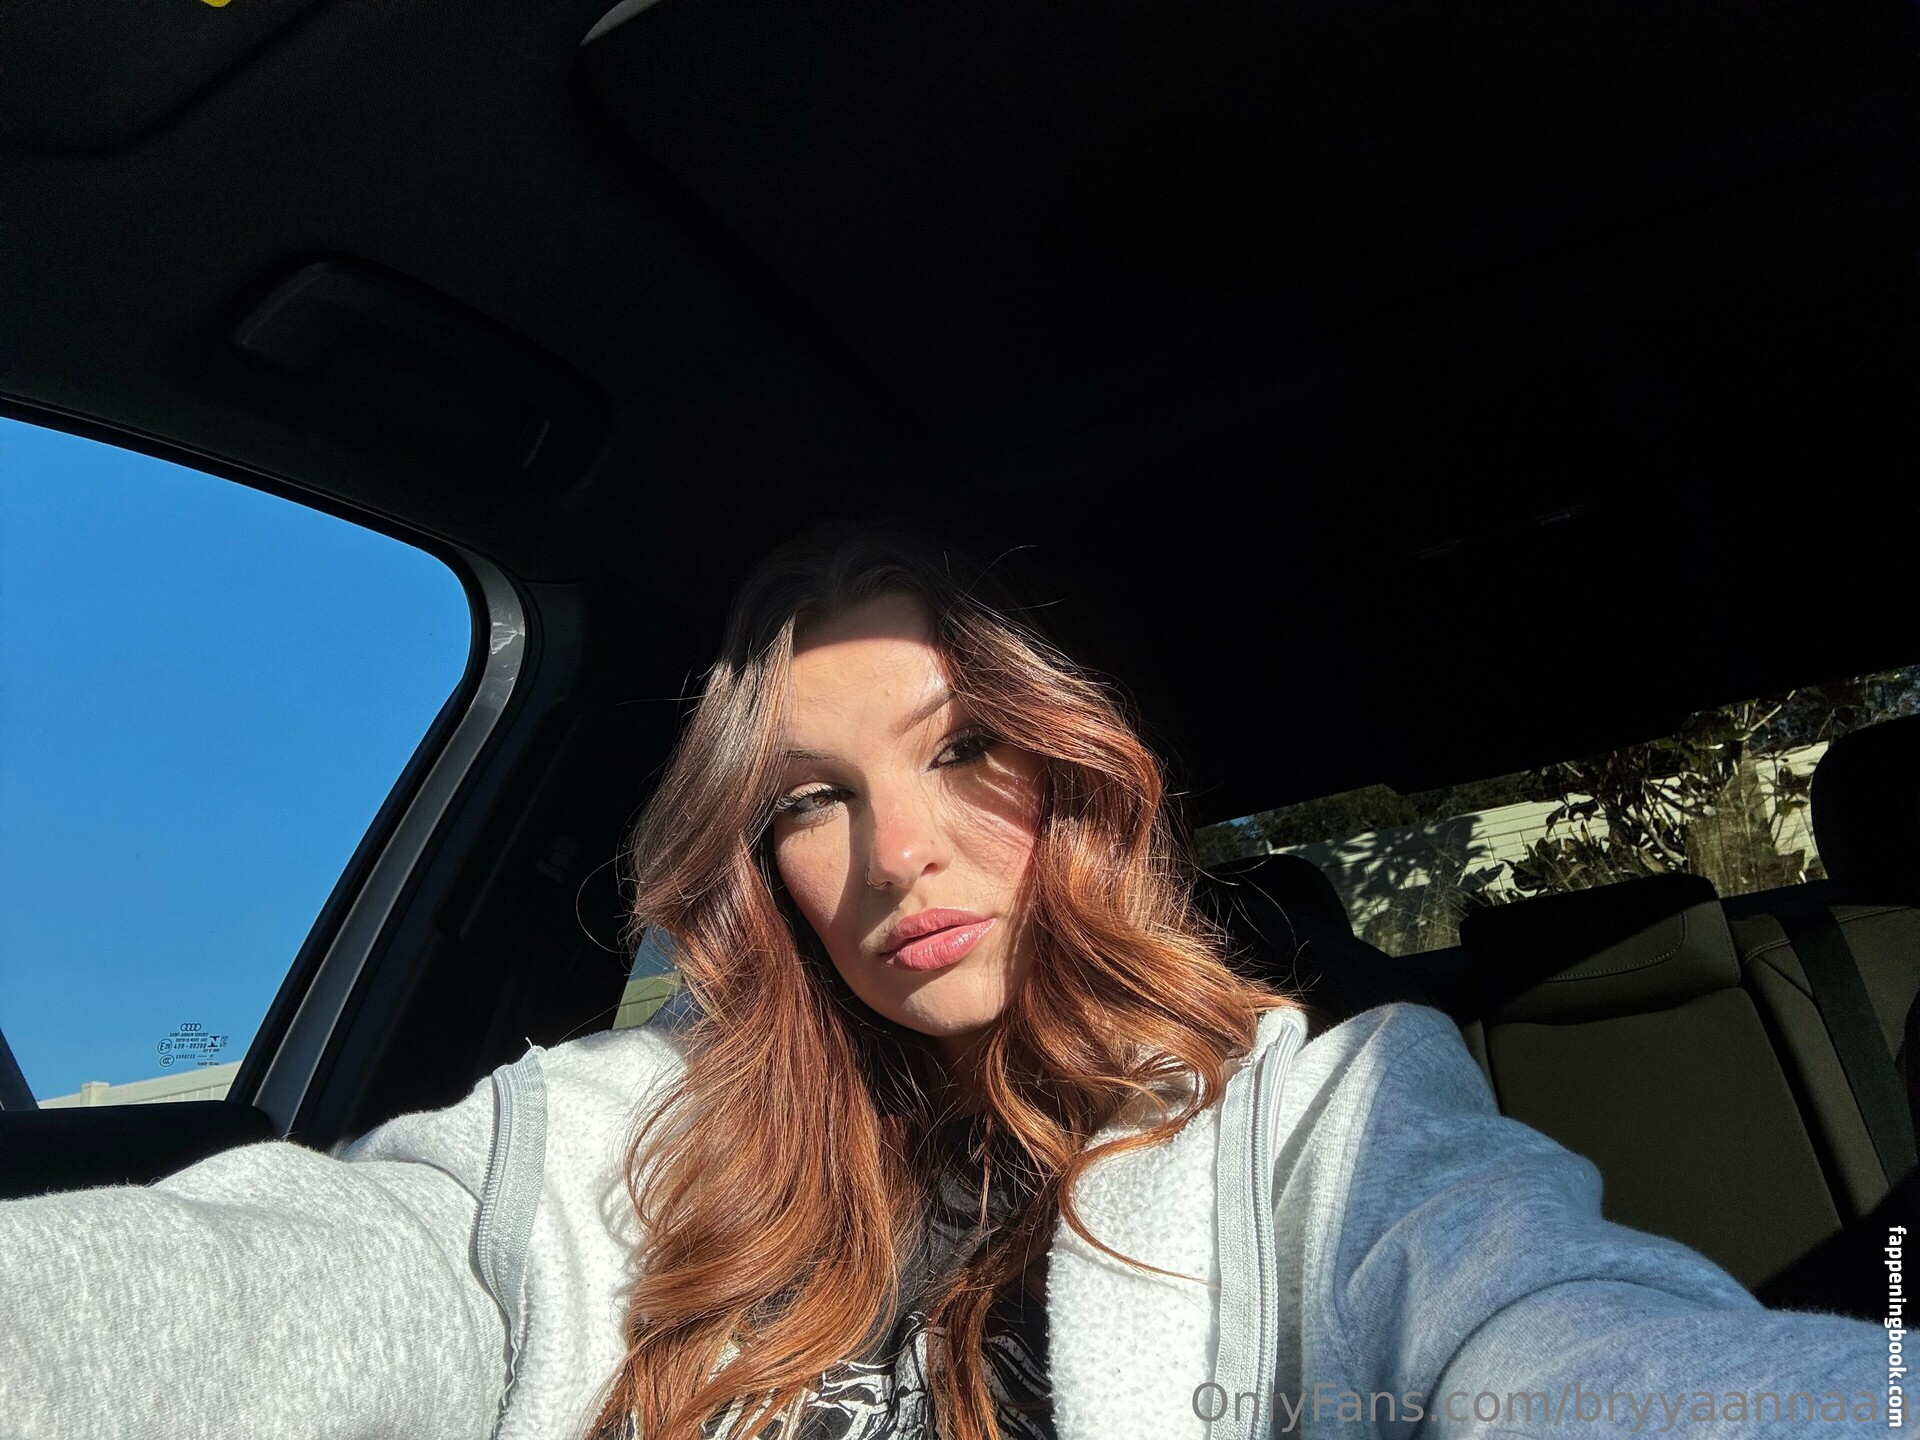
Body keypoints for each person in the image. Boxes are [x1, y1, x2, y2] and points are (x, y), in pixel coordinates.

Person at [0, 520, 1894, 1440]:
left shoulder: (1328, 1126)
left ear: (1075, 773)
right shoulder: (603, 1149)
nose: (898, 852)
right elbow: (307, 1279)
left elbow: (1570, 1346)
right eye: (808, 800)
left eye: (965, 750)